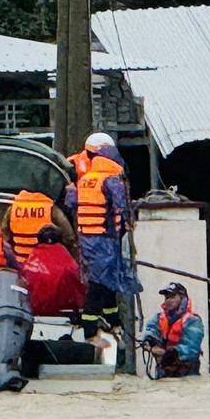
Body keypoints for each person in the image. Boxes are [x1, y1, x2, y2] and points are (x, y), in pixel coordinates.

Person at [71, 132, 135, 344]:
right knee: (100, 283)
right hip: (104, 238)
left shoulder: (86, 179)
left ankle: (113, 321)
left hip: (87, 238)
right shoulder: (111, 179)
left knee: (106, 282)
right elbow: (122, 205)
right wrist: (129, 221)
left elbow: (72, 202)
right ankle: (90, 331)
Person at [138, 282, 204, 378]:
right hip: (163, 370)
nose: (168, 300)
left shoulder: (193, 320)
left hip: (187, 371)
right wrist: (148, 340)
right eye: (166, 297)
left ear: (182, 298)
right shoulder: (159, 317)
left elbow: (192, 347)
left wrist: (168, 353)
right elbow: (151, 330)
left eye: (172, 296)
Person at [18, 225, 86, 317]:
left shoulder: (32, 259)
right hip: (65, 308)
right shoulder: (65, 257)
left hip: (36, 310)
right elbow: (77, 280)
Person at [0, 190, 79, 265]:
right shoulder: (50, 208)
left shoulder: (14, 207)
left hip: (19, 262)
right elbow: (69, 236)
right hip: (44, 265)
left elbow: (4, 237)